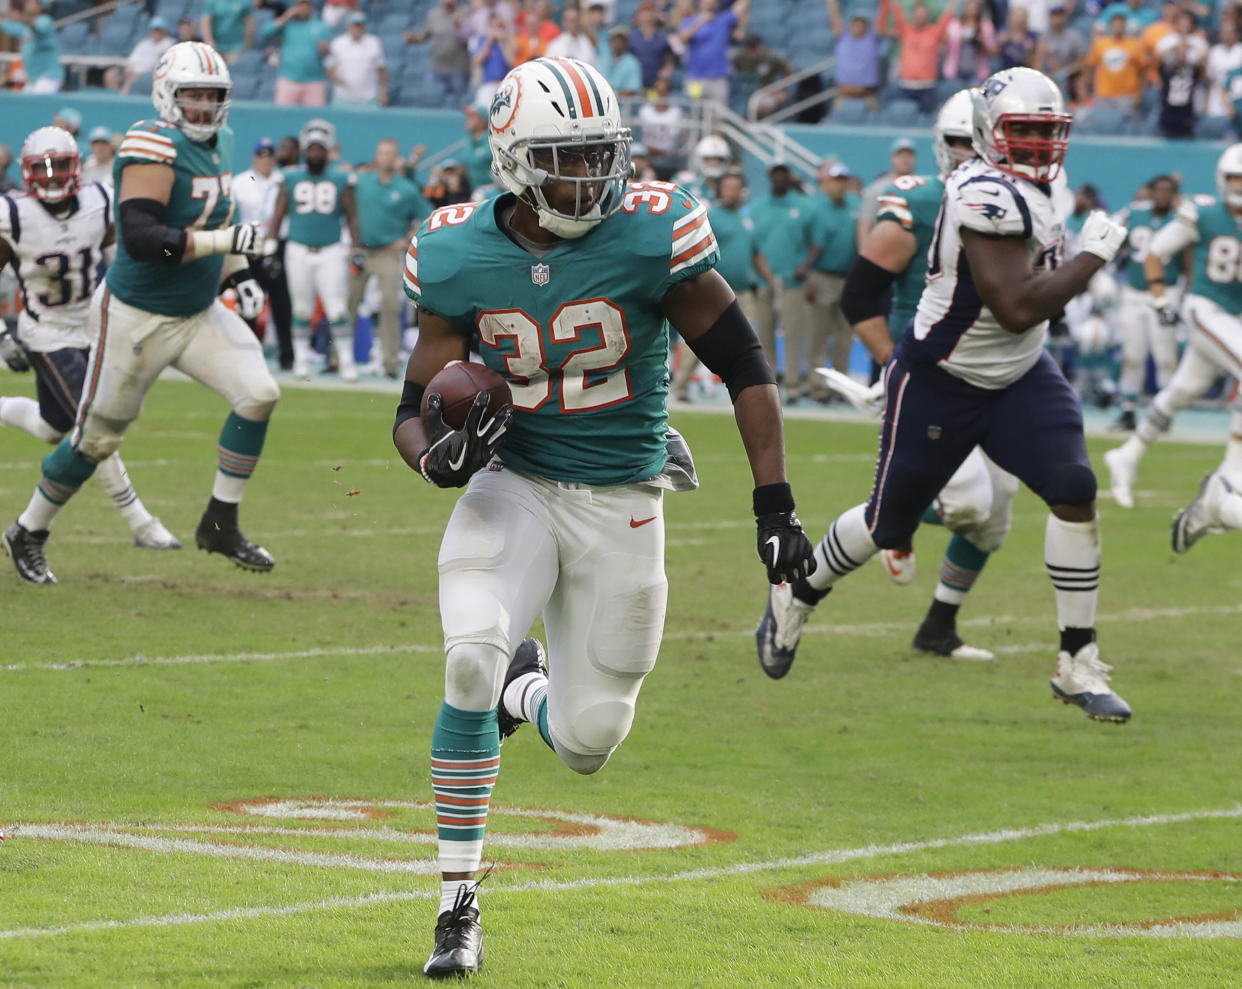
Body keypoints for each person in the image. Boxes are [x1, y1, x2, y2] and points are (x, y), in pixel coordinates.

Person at [393, 56, 814, 978]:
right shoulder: (458, 249)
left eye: (600, 155)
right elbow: (412, 404)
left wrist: (773, 502)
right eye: (568, 159)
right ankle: (455, 902)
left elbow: (746, 365)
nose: (592, 177)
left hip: (625, 494)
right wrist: (436, 455)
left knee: (588, 742)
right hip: (517, 483)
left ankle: (525, 691)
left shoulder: (652, 232)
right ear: (512, 159)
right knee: (468, 653)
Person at [756, 68, 1133, 725]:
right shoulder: (979, 190)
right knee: (887, 522)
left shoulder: (1045, 186)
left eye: (1049, 132)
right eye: (1026, 132)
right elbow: (1014, 305)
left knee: (1074, 488)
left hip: (1019, 373)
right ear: (990, 134)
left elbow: (1030, 314)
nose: (1041, 147)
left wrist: (1077, 266)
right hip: (941, 377)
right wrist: (1094, 256)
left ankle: (1077, 658)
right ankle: (799, 589)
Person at [3, 42, 278, 585]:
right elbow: (147, 241)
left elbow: (217, 216)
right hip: (137, 317)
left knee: (260, 393)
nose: (203, 106)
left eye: (213, 95)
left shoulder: (221, 140)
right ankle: (29, 529)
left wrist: (239, 271)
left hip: (197, 311)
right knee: (95, 441)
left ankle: (220, 521)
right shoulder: (150, 144)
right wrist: (226, 240)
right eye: (192, 95)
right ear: (165, 95)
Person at [831, 88, 1007, 655]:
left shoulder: (1019, 200)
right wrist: (896, 365)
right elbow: (859, 296)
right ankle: (894, 515)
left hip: (994, 374)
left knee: (995, 515)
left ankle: (938, 627)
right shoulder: (919, 201)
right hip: (931, 373)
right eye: (960, 141)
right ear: (941, 144)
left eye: (980, 142)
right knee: (969, 505)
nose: (970, 152)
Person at [0, 126, 180, 559]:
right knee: (94, 425)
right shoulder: (14, 214)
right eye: (41, 168)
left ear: (76, 168)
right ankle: (141, 521)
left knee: (54, 428)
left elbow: (127, 247)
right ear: (26, 173)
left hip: (94, 327)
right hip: (46, 332)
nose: (50, 175)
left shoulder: (99, 203)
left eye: (59, 165)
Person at [1104, 144, 1242, 553]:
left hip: (1234, 319)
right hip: (1204, 308)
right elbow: (1155, 252)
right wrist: (1162, 299)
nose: (1240, 187)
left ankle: (1127, 454)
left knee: (1181, 391)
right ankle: (1229, 478)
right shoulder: (1203, 213)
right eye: (1235, 179)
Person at [268, 118, 362, 382]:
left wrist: (357, 247)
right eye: (312, 149)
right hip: (297, 249)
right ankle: (300, 360)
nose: (316, 154)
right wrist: (270, 245)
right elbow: (278, 212)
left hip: (330, 250)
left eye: (320, 149)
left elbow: (352, 216)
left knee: (337, 309)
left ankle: (346, 361)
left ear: (329, 150)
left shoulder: (342, 178)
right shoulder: (290, 177)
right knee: (301, 309)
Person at [672, 170, 775, 401]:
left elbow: (756, 253)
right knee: (700, 338)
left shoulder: (746, 218)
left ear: (742, 191)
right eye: (727, 187)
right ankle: (680, 386)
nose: (731, 192)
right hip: (712, 292)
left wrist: (769, 279)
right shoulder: (711, 216)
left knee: (748, 342)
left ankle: (746, 390)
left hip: (744, 290)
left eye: (735, 187)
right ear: (720, 190)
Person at [349, 138, 430, 378]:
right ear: (376, 156)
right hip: (360, 251)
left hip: (388, 252)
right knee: (348, 303)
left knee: (391, 305)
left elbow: (427, 215)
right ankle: (337, 359)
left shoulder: (406, 188)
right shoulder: (361, 182)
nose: (385, 158)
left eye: (390, 154)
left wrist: (407, 238)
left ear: (396, 158)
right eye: (382, 153)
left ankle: (390, 363)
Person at [1108, 174, 1184, 431]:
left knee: (1165, 355)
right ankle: (1128, 410)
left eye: (1168, 191)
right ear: (1150, 192)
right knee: (1132, 355)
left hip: (1167, 292)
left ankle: (1164, 412)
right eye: (1158, 190)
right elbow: (1109, 232)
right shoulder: (1134, 213)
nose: (1163, 196)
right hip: (1134, 292)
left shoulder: (1182, 219)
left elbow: (1188, 258)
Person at [794, 161, 861, 398]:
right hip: (821, 276)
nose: (840, 185)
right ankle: (817, 385)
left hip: (849, 276)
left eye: (843, 180)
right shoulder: (815, 208)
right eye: (836, 180)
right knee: (818, 335)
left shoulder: (854, 205)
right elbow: (803, 244)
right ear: (826, 183)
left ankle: (841, 386)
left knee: (844, 335)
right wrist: (808, 276)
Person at [233, 136, 292, 368]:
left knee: (282, 302)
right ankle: (247, 353)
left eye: (269, 156)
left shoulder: (284, 179)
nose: (265, 161)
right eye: (261, 156)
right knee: (249, 298)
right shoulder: (240, 181)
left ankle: (286, 355)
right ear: (254, 158)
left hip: (278, 244)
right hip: (251, 245)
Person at [748, 160, 809, 376]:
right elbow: (752, 245)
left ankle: (792, 384)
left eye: (784, 174)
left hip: (792, 281)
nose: (780, 178)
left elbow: (814, 240)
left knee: (793, 334)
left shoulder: (802, 205)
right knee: (764, 335)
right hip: (763, 281)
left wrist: (805, 266)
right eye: (776, 174)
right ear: (769, 177)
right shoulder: (757, 207)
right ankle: (768, 381)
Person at [878, 0, 959, 114]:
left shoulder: (934, 32)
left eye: (923, 15)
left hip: (927, 87)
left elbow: (947, 15)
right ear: (913, 16)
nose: (920, 18)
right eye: (918, 14)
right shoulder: (906, 30)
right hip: (905, 86)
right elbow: (896, 11)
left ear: (927, 17)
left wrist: (953, 3)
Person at [678, 0, 750, 104]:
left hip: (718, 79)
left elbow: (741, 6)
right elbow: (682, 38)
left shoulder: (724, 20)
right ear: (699, 3)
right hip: (695, 79)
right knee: (696, 115)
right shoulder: (689, 21)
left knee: (718, 116)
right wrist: (700, 21)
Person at [262, 0, 332, 107]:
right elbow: (265, 32)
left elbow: (328, 53)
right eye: (299, 6)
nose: (303, 9)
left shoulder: (321, 27)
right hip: (289, 79)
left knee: (315, 118)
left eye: (306, 6)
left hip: (314, 81)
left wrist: (325, 49)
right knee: (282, 116)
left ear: (311, 8)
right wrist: (286, 17)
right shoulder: (288, 25)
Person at [405, 0, 471, 104]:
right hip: (436, 68)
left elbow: (471, 37)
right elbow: (425, 35)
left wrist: (459, 25)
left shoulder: (466, 12)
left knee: (458, 104)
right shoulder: (433, 14)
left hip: (459, 69)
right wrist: (413, 38)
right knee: (429, 100)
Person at [858, 136, 917, 241]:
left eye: (909, 155)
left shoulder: (921, 187)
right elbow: (865, 225)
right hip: (884, 248)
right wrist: (864, 254)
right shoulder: (878, 189)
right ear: (892, 158)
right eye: (900, 155)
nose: (905, 159)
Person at [827, 0, 883, 109]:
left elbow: (882, 18)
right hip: (844, 94)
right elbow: (834, 14)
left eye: (861, 24)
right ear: (850, 26)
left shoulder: (871, 39)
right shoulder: (843, 37)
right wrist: (831, 3)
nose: (858, 27)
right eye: (855, 24)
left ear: (867, 27)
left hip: (867, 94)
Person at [327, 10, 387, 108]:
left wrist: (383, 91)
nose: (357, 28)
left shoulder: (374, 42)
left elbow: (381, 69)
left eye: (360, 25)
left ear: (365, 26)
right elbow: (329, 66)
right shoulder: (338, 43)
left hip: (368, 97)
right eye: (354, 25)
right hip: (343, 97)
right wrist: (338, 80)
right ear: (348, 26)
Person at [1, 1, 62, 94]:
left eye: (31, 1)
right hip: (33, 79)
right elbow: (6, 26)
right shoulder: (25, 29)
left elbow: (39, 27)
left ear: (40, 6)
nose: (27, 4)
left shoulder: (45, 20)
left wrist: (22, 18)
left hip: (48, 77)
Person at [122, 16, 174, 94]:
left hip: (150, 75)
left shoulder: (169, 43)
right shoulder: (142, 44)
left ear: (164, 31)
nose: (156, 33)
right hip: (134, 74)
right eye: (154, 30)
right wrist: (131, 73)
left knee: (135, 82)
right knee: (111, 75)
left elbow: (162, 64)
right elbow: (130, 63)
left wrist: (140, 75)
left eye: (158, 30)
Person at [201, 0, 254, 64]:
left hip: (236, 47)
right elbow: (206, 22)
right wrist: (209, 40)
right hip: (215, 46)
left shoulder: (245, 2)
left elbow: (249, 24)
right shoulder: (212, 2)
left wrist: (247, 46)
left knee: (236, 72)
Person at [599, 24, 642, 98]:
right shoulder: (603, 59)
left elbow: (633, 90)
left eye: (621, 40)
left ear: (626, 43)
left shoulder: (632, 62)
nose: (618, 43)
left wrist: (614, 95)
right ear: (610, 41)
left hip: (623, 107)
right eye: (615, 39)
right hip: (603, 103)